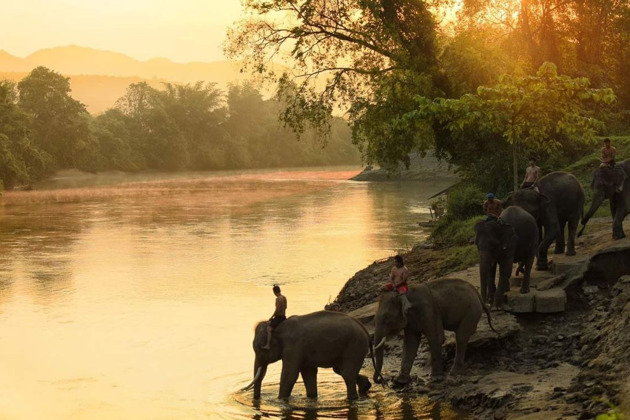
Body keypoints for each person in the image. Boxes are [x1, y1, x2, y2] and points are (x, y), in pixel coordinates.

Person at [263, 285, 287, 350]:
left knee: (268, 328)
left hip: (279, 317)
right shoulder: (284, 297)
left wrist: (272, 316)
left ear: (274, 292)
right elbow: (285, 307)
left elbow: (278, 309)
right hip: (284, 317)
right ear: (280, 290)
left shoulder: (278, 299)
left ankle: (268, 345)